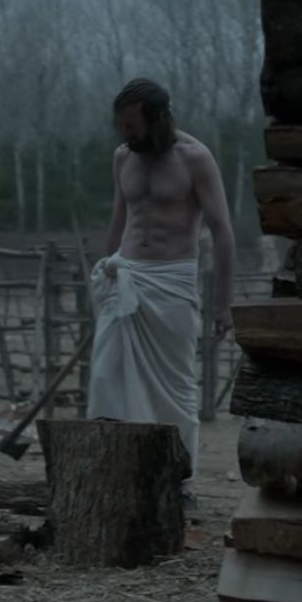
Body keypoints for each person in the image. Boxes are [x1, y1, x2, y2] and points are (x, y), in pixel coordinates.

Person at [85, 77, 235, 510]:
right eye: (121, 126)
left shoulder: (195, 158)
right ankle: (112, 475)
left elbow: (222, 231)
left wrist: (224, 304)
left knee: (177, 387)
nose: (126, 134)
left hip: (172, 280)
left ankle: (182, 484)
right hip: (126, 275)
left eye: (133, 126)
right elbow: (119, 222)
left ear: (158, 119)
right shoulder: (122, 157)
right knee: (106, 377)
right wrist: (106, 275)